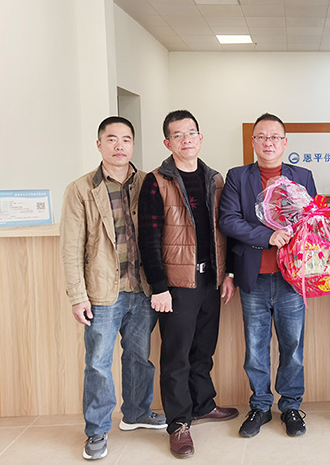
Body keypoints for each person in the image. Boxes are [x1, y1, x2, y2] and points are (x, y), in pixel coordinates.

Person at [60, 116, 166, 461]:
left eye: (126, 139)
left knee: (139, 357)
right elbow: (71, 248)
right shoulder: (80, 189)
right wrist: (77, 296)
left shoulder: (149, 183)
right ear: (99, 144)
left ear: (133, 144)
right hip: (103, 292)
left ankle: (136, 412)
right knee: (98, 363)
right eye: (111, 139)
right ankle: (97, 430)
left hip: (143, 288)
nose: (119, 146)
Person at [138, 110, 238, 459]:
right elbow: (148, 238)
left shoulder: (215, 179)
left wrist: (228, 274)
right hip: (177, 284)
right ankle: (179, 423)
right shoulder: (156, 181)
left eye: (191, 133)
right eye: (178, 135)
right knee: (176, 356)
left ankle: (203, 404)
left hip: (211, 280)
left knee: (203, 350)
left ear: (200, 137)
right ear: (168, 143)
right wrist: (159, 287)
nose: (186, 139)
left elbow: (225, 230)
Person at [219, 113, 316, 439]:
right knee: (256, 349)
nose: (268, 142)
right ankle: (260, 405)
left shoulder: (302, 176)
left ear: (285, 142)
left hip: (291, 280)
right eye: (262, 137)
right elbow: (228, 220)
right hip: (254, 278)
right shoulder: (237, 176)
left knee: (293, 348)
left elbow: (313, 223)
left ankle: (290, 406)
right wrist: (267, 236)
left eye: (275, 137)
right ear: (253, 142)